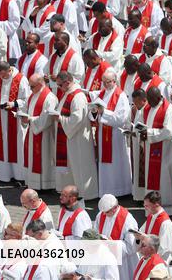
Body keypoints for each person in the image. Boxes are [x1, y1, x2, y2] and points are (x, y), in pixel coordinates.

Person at [54, 71, 97, 200]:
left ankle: (85, 193)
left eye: (60, 85)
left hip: (78, 138)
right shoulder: (68, 93)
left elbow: (76, 118)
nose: (59, 88)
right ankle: (72, 191)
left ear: (67, 82)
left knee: (81, 166)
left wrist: (60, 118)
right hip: (70, 137)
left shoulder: (77, 96)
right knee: (73, 167)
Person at [90, 68, 132, 197]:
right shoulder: (101, 94)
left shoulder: (121, 96)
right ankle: (106, 190)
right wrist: (94, 112)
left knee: (116, 164)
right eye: (104, 82)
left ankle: (121, 190)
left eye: (108, 82)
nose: (105, 85)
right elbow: (93, 115)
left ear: (114, 81)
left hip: (116, 136)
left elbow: (121, 118)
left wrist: (104, 112)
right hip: (102, 133)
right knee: (104, 164)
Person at [0, 60, 28, 183]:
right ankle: (4, 175)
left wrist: (13, 103)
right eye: (0, 75)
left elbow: (26, 99)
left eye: (5, 75)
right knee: (3, 145)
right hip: (1, 118)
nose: (3, 78)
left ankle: (19, 175)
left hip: (15, 118)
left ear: (10, 70)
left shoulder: (20, 79)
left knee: (17, 146)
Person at [21, 74, 57, 190]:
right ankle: (33, 183)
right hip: (32, 132)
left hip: (44, 135)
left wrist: (30, 119)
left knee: (44, 160)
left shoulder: (49, 98)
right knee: (32, 157)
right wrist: (23, 116)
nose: (30, 89)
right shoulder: (33, 95)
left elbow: (46, 119)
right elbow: (26, 108)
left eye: (32, 86)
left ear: (41, 84)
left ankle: (46, 185)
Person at [93, 193, 139, 280]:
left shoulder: (128, 220)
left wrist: (113, 244)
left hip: (123, 263)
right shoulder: (102, 214)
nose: (104, 215)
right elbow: (96, 231)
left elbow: (132, 246)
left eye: (106, 212)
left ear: (114, 208)